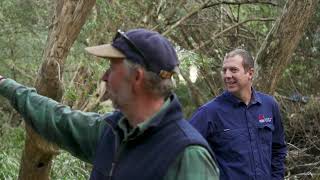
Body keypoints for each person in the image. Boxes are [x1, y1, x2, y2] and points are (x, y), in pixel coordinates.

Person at [0, 28, 219, 180]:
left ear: (137, 77)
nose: (105, 77)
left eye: (112, 68)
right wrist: (5, 85)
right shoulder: (113, 132)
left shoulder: (187, 155)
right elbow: (59, 119)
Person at [190, 49, 287, 180]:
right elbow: (184, 152)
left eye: (233, 70)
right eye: (224, 70)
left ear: (250, 73)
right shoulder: (209, 113)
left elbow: (278, 149)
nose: (227, 75)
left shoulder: (269, 105)